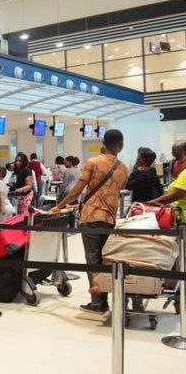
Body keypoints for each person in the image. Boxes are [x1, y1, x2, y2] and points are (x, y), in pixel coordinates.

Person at [51, 129, 129, 314]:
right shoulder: (124, 168)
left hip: (91, 217)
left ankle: (97, 302)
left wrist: (59, 206)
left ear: (103, 143)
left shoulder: (93, 162)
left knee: (92, 259)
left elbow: (77, 191)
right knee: (104, 259)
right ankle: (105, 300)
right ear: (121, 145)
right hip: (110, 219)